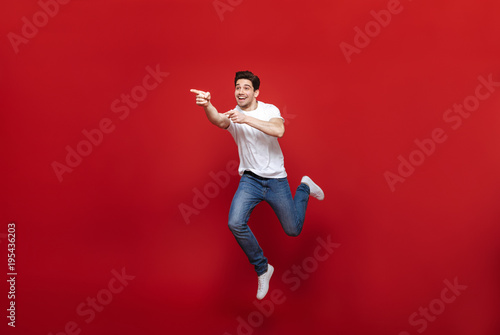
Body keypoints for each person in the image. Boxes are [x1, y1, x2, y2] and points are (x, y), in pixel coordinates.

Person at [190, 71, 324, 300]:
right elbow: (218, 120)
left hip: (276, 180)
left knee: (293, 230)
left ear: (256, 92)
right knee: (235, 222)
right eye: (237, 87)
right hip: (250, 180)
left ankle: (304, 187)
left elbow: (279, 130)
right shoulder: (233, 115)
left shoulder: (269, 110)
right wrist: (207, 106)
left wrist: (247, 119)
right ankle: (263, 268)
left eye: (246, 87)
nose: (240, 91)